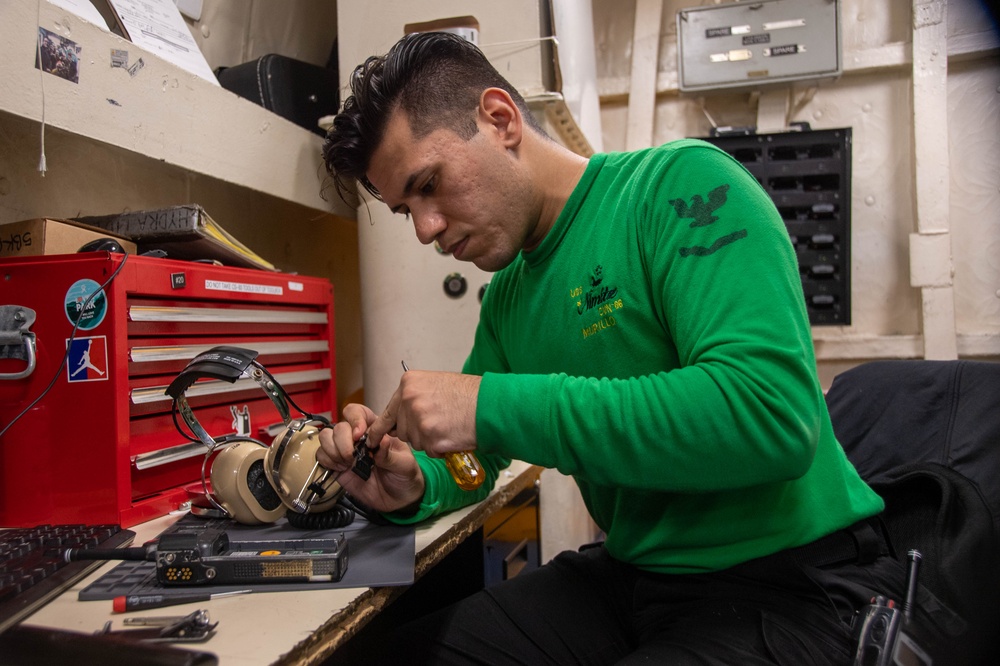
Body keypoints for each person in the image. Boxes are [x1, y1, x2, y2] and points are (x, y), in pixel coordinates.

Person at [317, 31, 904, 665]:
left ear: (500, 119)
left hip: (791, 582)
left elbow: (769, 417)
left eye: (429, 184)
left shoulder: (681, 189)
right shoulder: (511, 294)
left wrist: (487, 404)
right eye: (407, 211)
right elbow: (474, 459)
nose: (427, 230)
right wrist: (415, 483)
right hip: (636, 578)